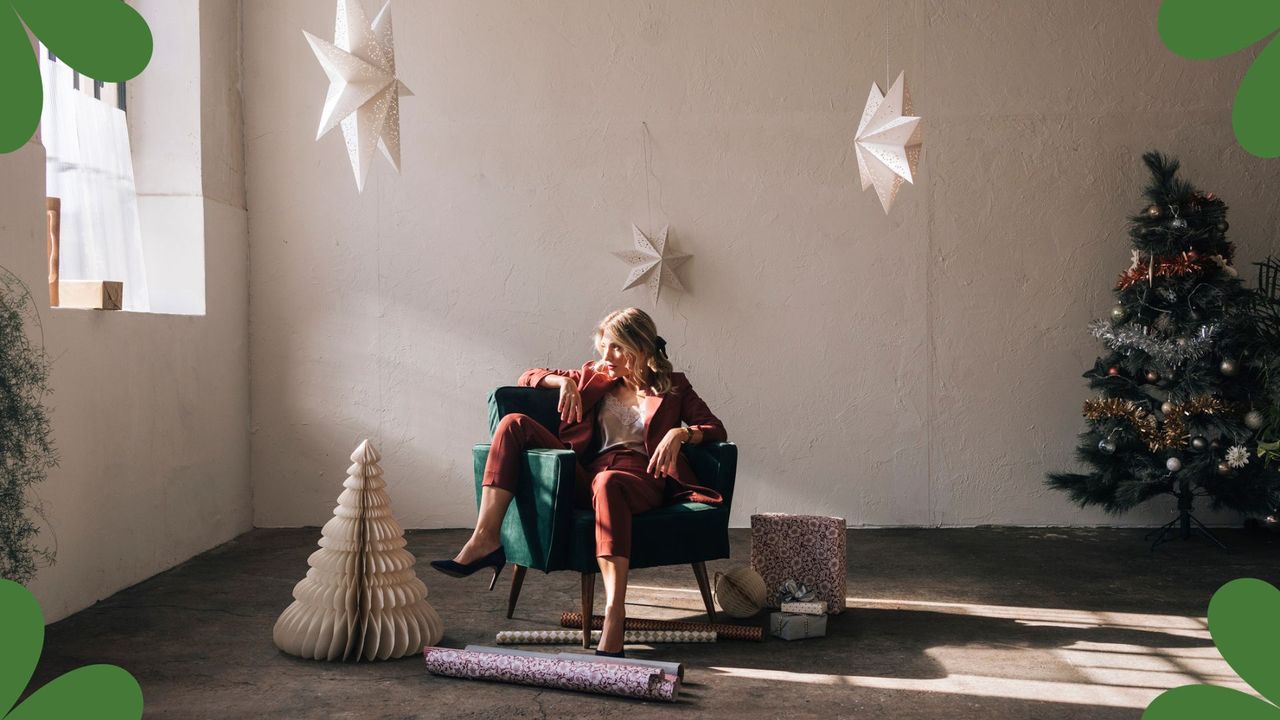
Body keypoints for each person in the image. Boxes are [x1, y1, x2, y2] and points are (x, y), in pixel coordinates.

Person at [430, 307, 728, 657]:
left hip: (640, 478)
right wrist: (565, 382)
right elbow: (528, 376)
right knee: (513, 423)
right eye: (604, 346)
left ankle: (615, 613)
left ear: (641, 346)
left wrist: (681, 433)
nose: (607, 356)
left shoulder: (674, 385)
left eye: (617, 347)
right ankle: (485, 538)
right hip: (587, 474)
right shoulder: (595, 375)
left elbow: (715, 428)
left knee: (609, 482)